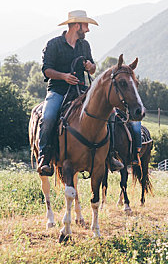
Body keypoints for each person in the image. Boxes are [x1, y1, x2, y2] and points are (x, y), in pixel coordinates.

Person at [37, 10, 124, 176]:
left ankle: (111, 155)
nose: (88, 30)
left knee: (111, 114)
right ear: (77, 25)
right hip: (58, 90)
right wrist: (64, 76)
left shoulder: (85, 45)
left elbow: (92, 68)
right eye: (86, 26)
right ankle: (45, 157)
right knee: (48, 117)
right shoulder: (53, 44)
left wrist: (90, 67)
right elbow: (46, 70)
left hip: (81, 91)